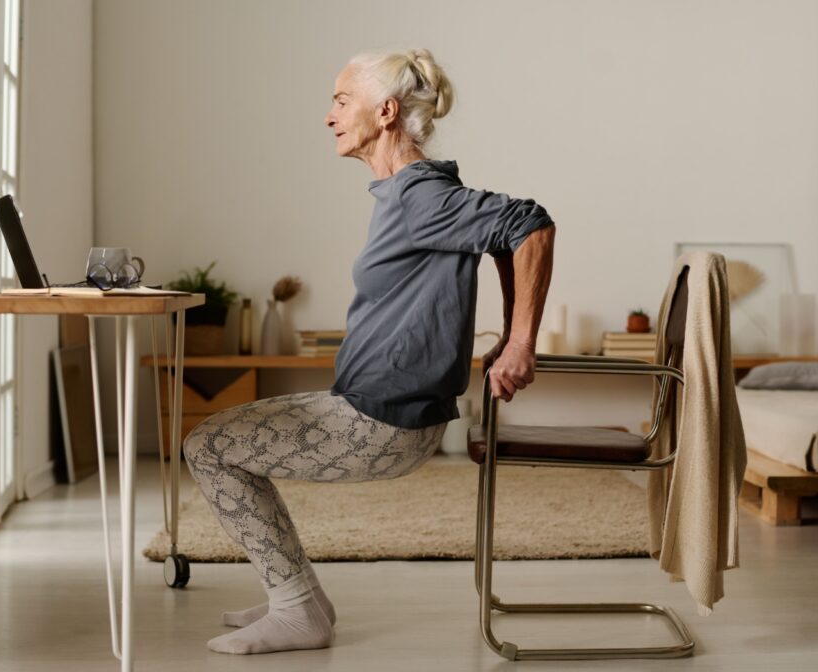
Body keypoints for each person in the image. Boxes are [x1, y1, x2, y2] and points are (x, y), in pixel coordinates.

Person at [182, 48, 556, 656]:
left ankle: (298, 609)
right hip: (369, 406)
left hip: (381, 422)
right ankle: (301, 597)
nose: (328, 115)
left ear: (385, 112)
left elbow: (531, 224)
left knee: (208, 447)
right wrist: (513, 335)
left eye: (340, 100)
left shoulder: (418, 194)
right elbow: (511, 232)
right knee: (225, 438)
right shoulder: (404, 192)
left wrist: (519, 344)